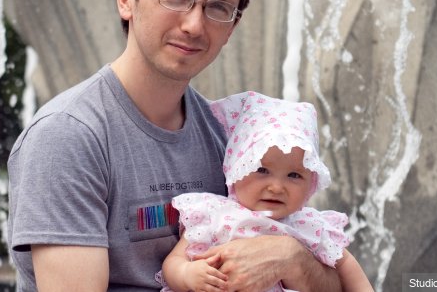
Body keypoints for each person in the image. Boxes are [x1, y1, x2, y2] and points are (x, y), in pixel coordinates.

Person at [7, 0, 342, 291]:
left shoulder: (232, 140)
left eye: (217, 7)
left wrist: (292, 258)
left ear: (232, 27)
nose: (194, 24)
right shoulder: (68, 137)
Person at [158, 91, 373, 292]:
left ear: (311, 182)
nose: (276, 187)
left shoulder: (311, 225)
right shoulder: (214, 213)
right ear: (236, 168)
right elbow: (173, 262)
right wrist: (187, 273)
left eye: (294, 175)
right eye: (262, 170)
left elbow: (348, 269)